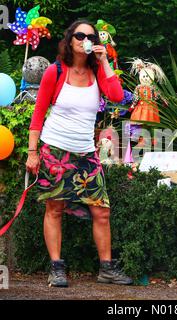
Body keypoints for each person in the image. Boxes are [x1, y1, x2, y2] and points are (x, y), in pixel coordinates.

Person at [25, 20, 133, 287]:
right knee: (55, 209)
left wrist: (104, 61)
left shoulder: (97, 73)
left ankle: (106, 269)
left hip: (86, 153)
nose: (84, 39)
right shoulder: (55, 71)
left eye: (90, 36)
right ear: (70, 40)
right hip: (55, 150)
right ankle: (57, 268)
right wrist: (32, 152)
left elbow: (118, 96)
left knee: (102, 211)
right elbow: (38, 115)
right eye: (79, 35)